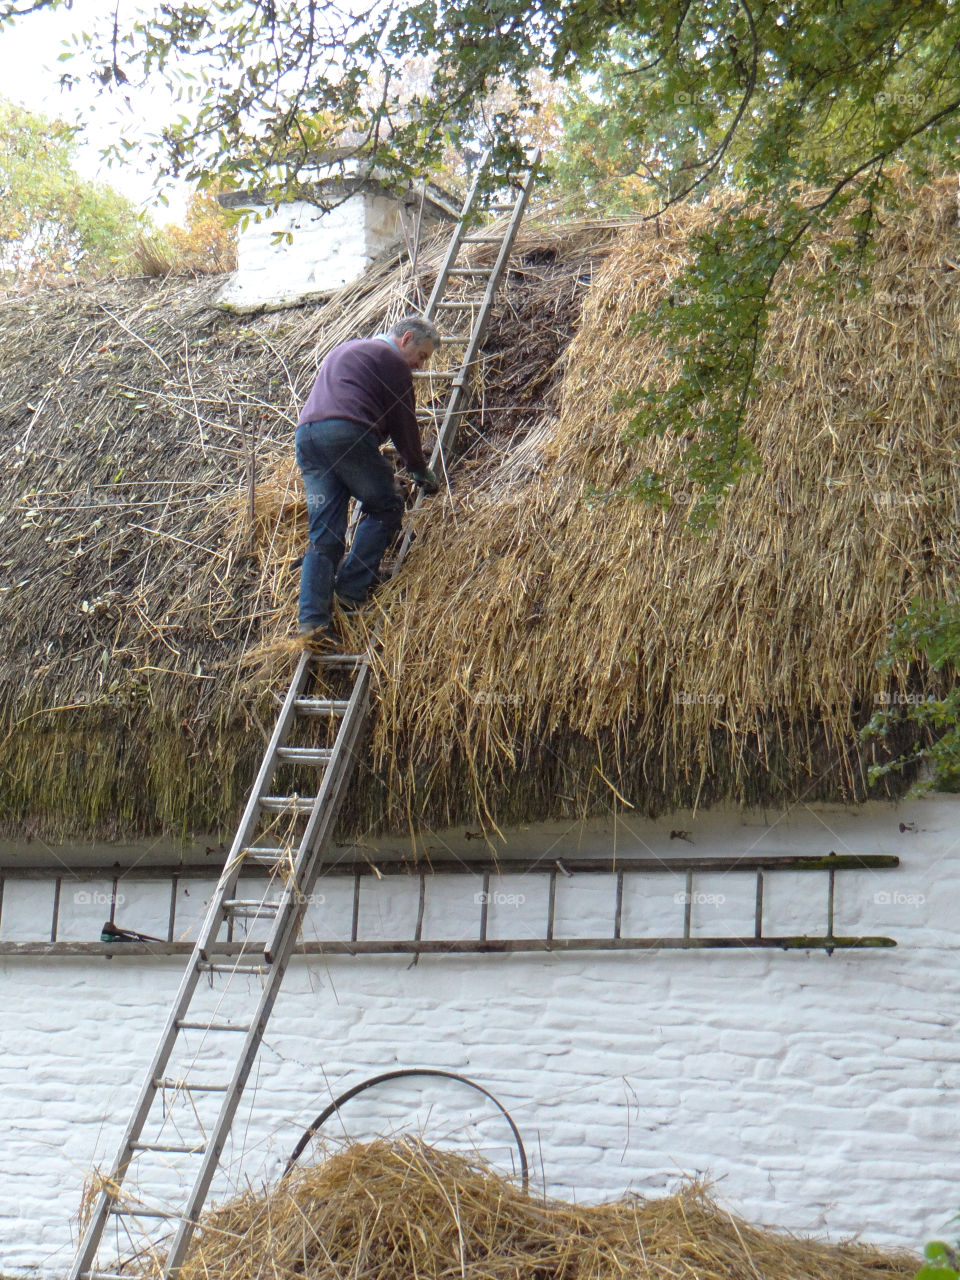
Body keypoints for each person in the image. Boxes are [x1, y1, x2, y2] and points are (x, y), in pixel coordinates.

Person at [295, 315, 441, 643]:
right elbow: (404, 421)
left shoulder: (345, 350)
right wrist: (418, 468)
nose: (419, 366)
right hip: (345, 435)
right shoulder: (391, 360)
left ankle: (313, 623)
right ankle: (350, 591)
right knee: (387, 504)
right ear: (405, 339)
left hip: (308, 439)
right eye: (422, 356)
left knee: (325, 535)